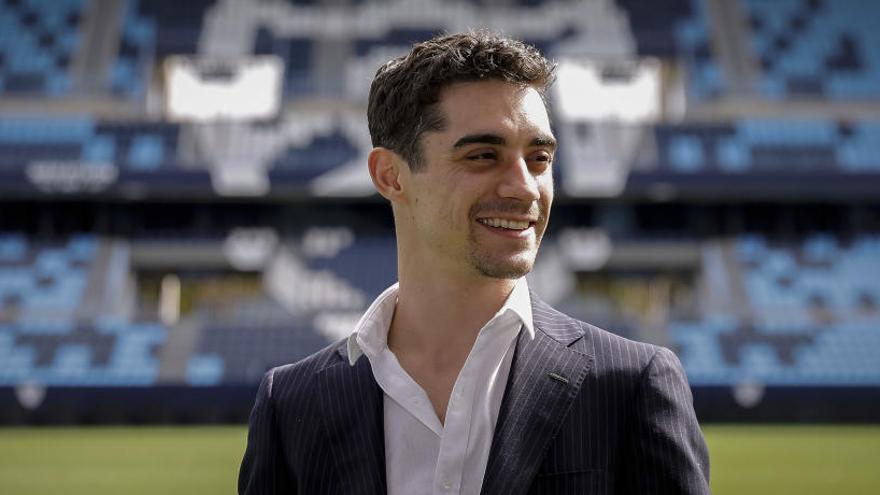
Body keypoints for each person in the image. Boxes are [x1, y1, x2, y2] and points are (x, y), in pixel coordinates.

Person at [239, 32, 710, 494]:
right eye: (484, 155)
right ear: (390, 175)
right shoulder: (290, 405)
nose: (525, 187)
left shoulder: (631, 387)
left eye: (539, 158)